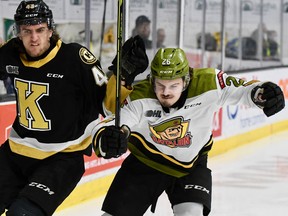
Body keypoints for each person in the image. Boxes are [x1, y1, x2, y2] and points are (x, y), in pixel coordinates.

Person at [91, 48, 285, 216]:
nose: (166, 92)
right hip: (145, 164)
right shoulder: (140, 97)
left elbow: (242, 90)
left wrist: (261, 94)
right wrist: (108, 138)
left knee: (191, 213)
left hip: (191, 166)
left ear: (186, 80)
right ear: (152, 80)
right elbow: (114, 122)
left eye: (173, 85)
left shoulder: (209, 83)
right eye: (160, 85)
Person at [0, 0, 148, 215]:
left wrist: (123, 76)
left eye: (40, 30)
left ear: (50, 30)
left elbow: (107, 105)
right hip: (15, 153)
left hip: (62, 158)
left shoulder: (75, 58)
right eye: (27, 31)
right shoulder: (11, 54)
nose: (34, 38)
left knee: (23, 213)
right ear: (18, 32)